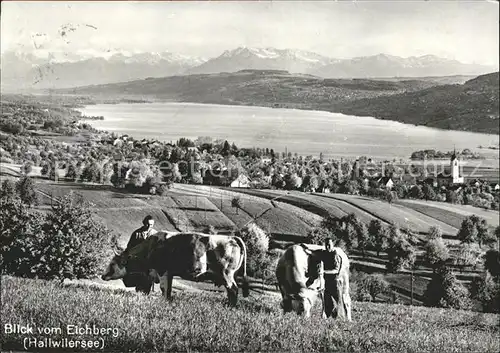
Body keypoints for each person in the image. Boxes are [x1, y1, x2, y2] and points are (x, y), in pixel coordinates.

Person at [314, 238, 351, 320]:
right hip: (327, 281)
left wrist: (323, 272)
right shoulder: (325, 254)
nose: (327, 247)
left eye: (329, 245)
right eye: (326, 245)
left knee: (338, 301)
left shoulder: (335, 255)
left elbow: (336, 270)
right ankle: (329, 318)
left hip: (335, 281)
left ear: (333, 245)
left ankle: (340, 319)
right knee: (328, 301)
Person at [125, 215, 158, 294]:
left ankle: (146, 294)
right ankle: (139, 294)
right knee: (139, 278)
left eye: (151, 225)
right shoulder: (136, 233)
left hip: (150, 261)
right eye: (148, 224)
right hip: (138, 261)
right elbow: (130, 247)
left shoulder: (155, 234)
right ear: (144, 223)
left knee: (148, 279)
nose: (149, 226)